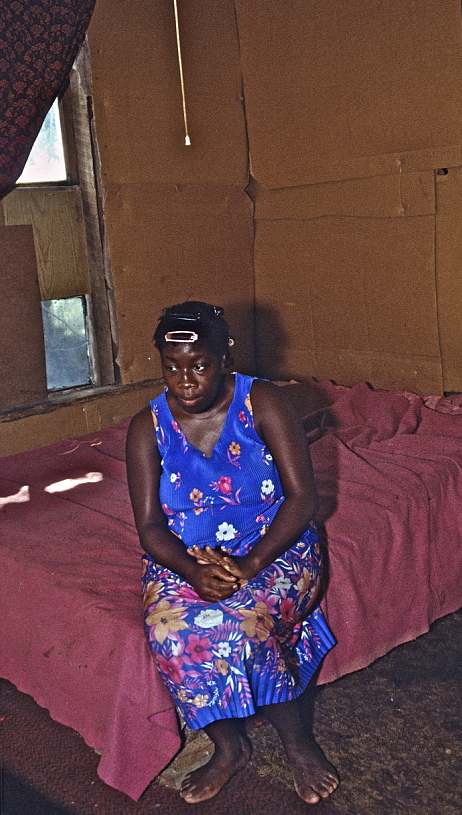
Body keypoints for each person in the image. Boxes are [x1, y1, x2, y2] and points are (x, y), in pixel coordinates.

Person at [126, 301, 339, 805]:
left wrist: (251, 564)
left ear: (225, 358)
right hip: (185, 558)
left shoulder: (263, 402)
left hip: (276, 546)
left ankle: (297, 743)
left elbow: (303, 499)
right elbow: (150, 527)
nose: (185, 380)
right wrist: (190, 571)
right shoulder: (146, 427)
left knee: (243, 621)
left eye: (199, 365)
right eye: (172, 367)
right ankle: (229, 747)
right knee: (169, 631)